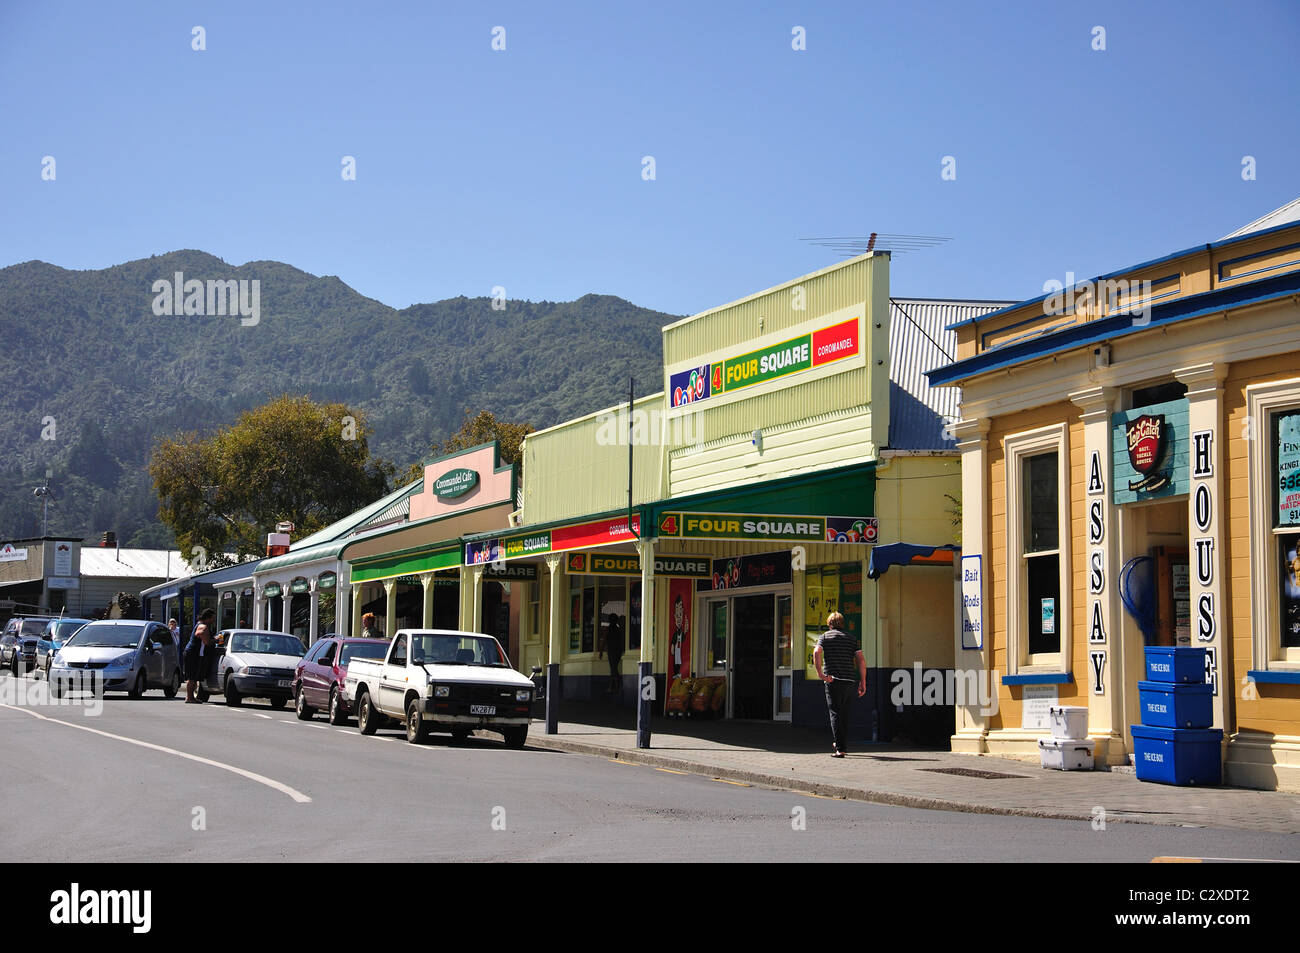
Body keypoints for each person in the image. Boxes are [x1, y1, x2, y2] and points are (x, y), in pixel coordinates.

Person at [813, 611, 866, 757]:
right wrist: (863, 682)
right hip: (849, 680)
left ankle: (840, 748)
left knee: (835, 713)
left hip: (833, 680)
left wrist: (820, 674)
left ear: (829, 623)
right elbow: (861, 660)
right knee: (844, 714)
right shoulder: (851, 638)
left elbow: (817, 652)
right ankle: (840, 742)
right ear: (842, 623)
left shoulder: (824, 637)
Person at [185, 609, 217, 704]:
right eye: (212, 618)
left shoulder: (201, 625)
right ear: (207, 618)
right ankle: (189, 697)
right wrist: (215, 640)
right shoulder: (203, 627)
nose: (213, 620)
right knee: (191, 676)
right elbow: (205, 641)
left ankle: (191, 697)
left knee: (194, 676)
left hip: (194, 653)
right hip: (192, 653)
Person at [598, 613, 625, 694]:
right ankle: (612, 686)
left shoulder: (608, 629)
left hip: (612, 651)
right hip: (618, 651)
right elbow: (622, 641)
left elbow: (603, 641)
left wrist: (601, 652)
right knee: (613, 668)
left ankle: (616, 687)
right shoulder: (618, 629)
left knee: (613, 669)